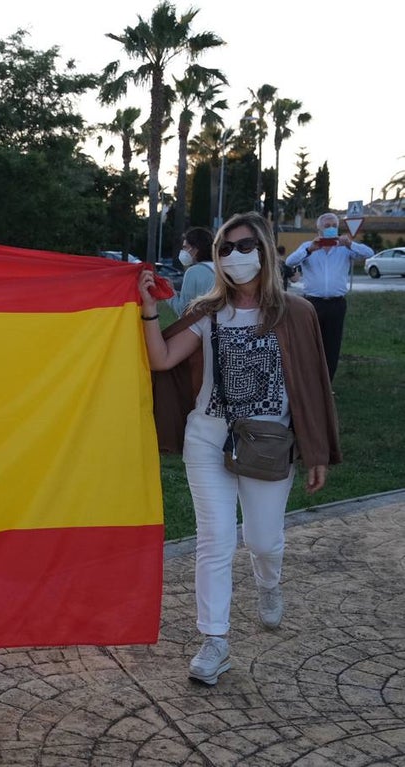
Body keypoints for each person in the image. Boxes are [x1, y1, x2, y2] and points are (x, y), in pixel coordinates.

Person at [140, 211, 340, 686]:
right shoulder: (208, 313)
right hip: (208, 437)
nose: (234, 257)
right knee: (215, 539)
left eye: (245, 245)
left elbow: (313, 386)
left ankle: (268, 584)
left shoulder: (296, 312)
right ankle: (215, 641)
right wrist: (148, 309)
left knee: (263, 541)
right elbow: (161, 358)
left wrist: (315, 450)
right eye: (225, 249)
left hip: (269, 444)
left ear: (266, 250)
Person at [284, 212, 373, 380]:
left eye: (334, 226)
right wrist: (309, 249)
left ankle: (327, 383)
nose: (331, 229)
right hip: (312, 303)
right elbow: (290, 262)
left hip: (336, 304)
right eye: (327, 226)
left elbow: (369, 253)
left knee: (331, 346)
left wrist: (350, 244)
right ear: (319, 229)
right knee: (310, 344)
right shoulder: (308, 246)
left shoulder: (344, 249)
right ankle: (310, 382)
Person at [167, 226, 216, 316]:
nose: (183, 251)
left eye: (185, 247)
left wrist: (169, 291)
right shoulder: (219, 268)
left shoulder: (193, 272)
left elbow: (183, 310)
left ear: (195, 249)